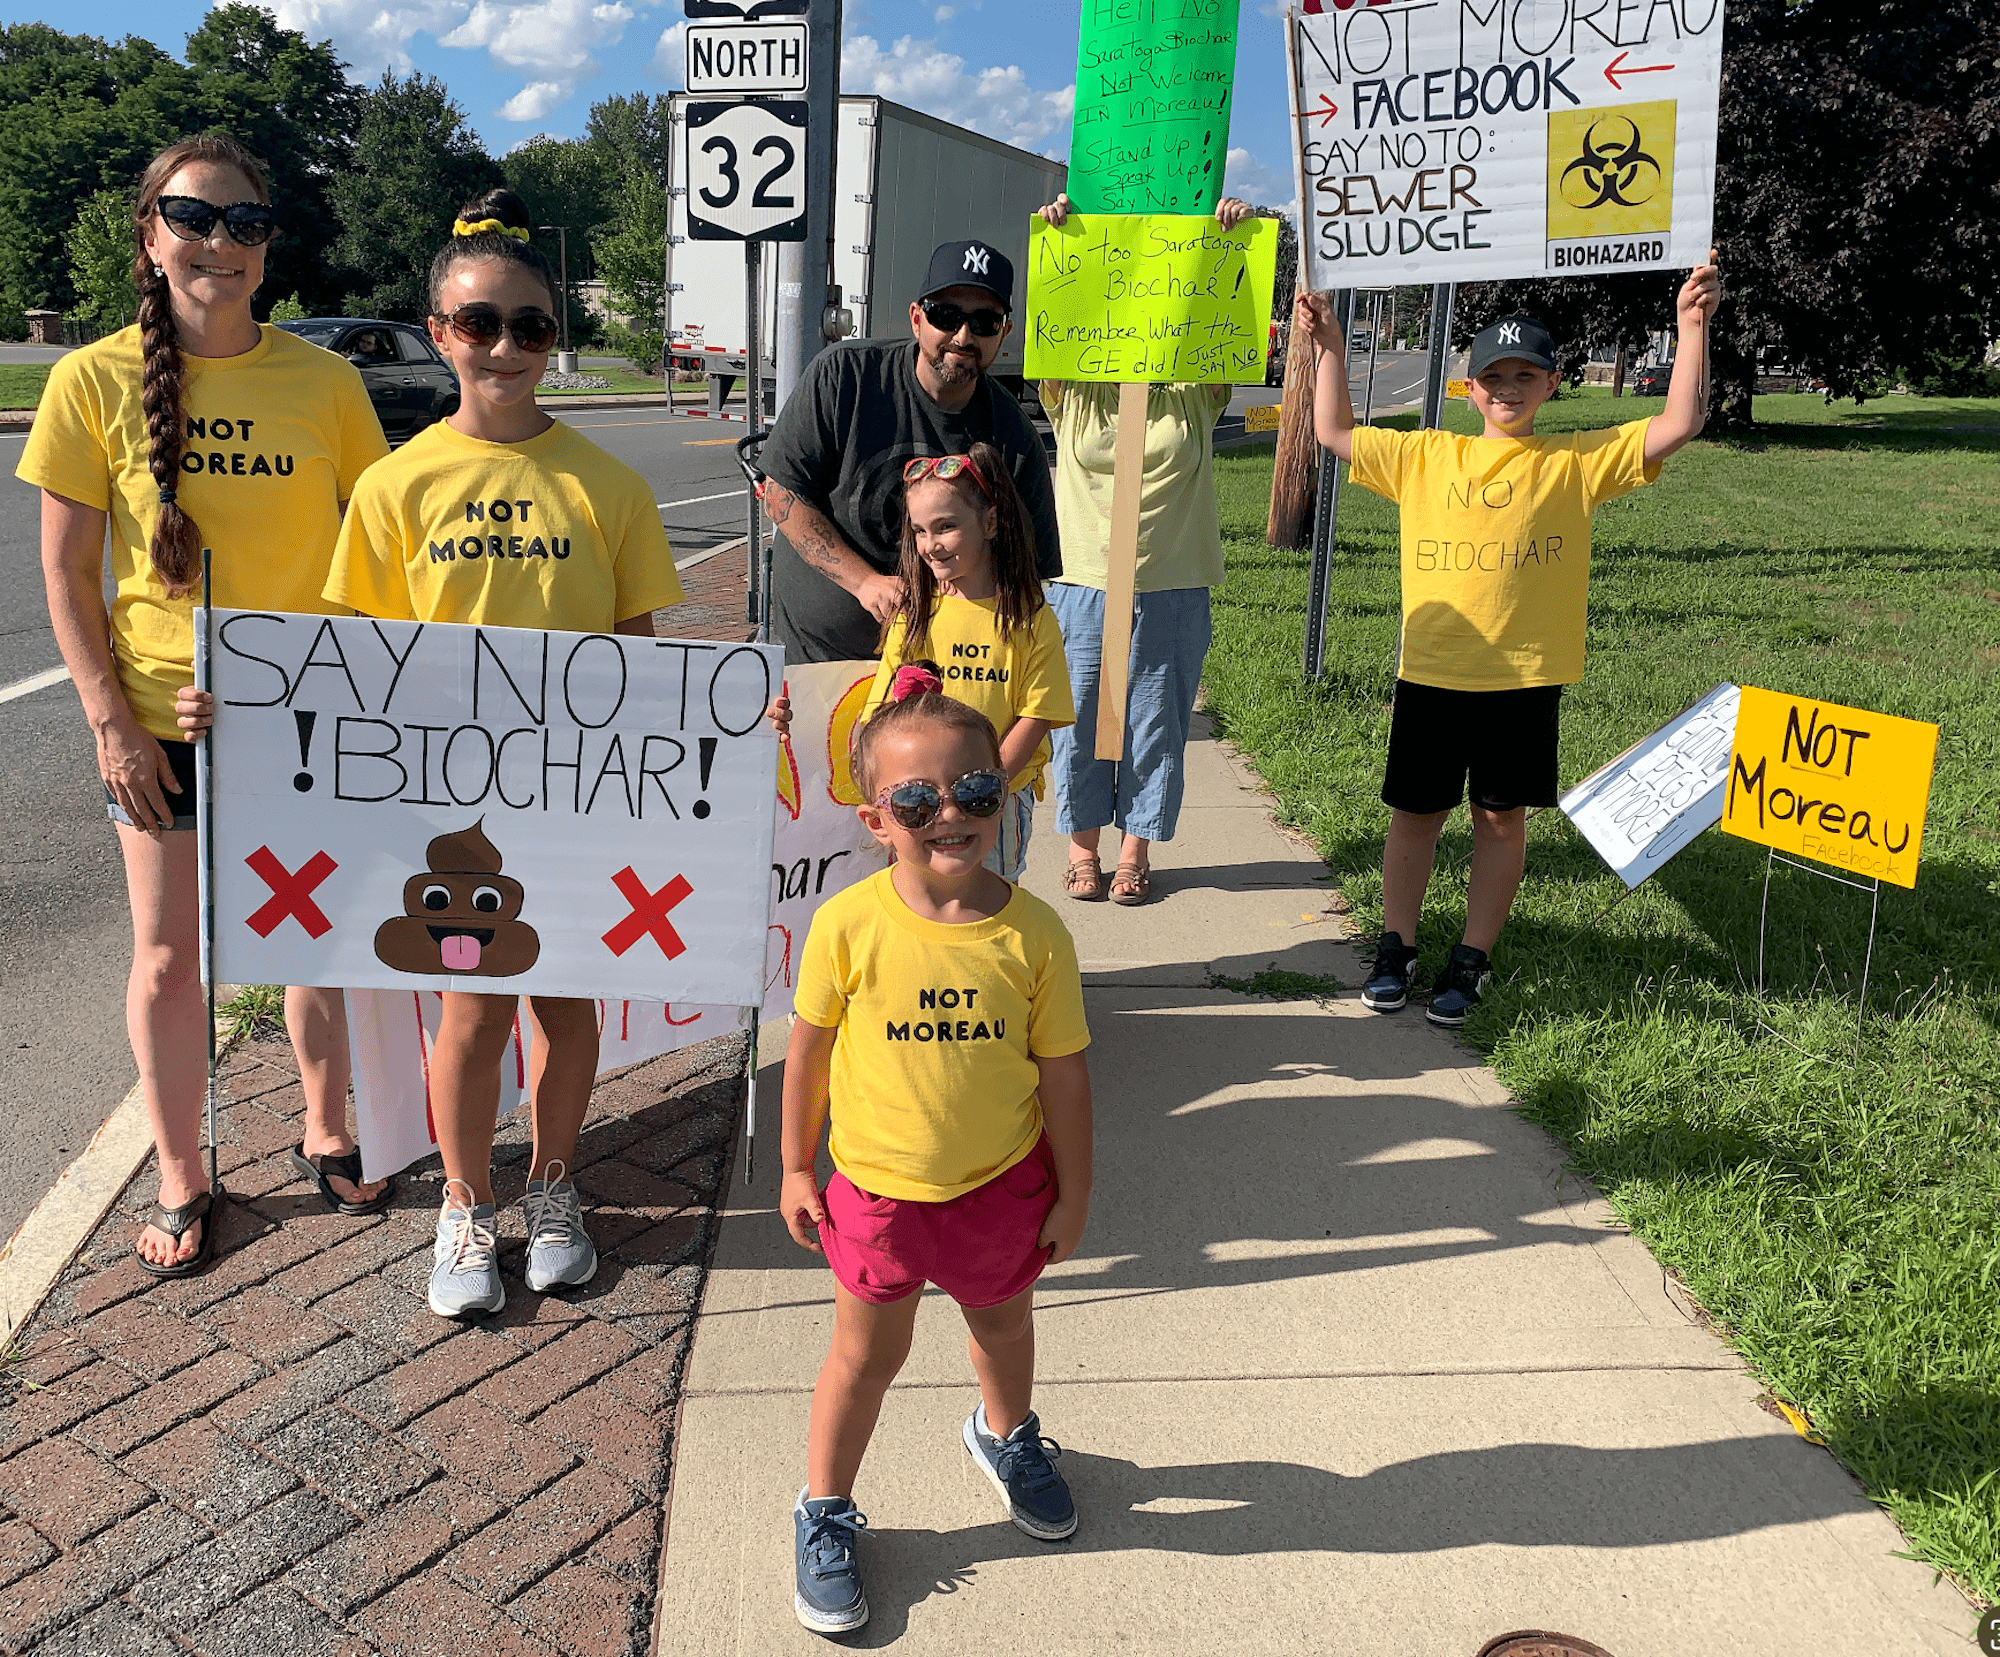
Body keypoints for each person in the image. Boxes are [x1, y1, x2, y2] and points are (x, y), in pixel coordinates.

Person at [24, 133, 393, 1279]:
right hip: (155, 726)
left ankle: (326, 1123)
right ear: (150, 233)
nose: (220, 243)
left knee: (317, 941)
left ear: (269, 249)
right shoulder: (89, 380)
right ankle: (183, 1169)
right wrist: (110, 722)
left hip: (305, 724)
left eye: (245, 223)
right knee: (169, 959)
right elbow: (66, 573)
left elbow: (376, 558)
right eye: (194, 217)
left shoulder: (327, 383)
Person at [321, 188, 689, 1318]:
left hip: (571, 800)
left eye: (530, 326)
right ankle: (465, 1207)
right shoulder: (393, 486)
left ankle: (555, 1185)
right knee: (472, 1013)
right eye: (479, 323)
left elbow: (642, 663)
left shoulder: (608, 485)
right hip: (445, 804)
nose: (505, 346)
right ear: (439, 332)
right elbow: (357, 662)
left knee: (567, 1005)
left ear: (551, 340)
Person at [1297, 253, 1723, 1026]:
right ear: (1467, 387)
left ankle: (1472, 954)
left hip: (1523, 679)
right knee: (1416, 813)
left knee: (1500, 816)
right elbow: (1333, 429)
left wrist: (1689, 325)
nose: (1508, 389)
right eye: (1494, 376)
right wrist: (1327, 343)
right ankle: (1396, 945)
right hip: (1430, 670)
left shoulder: (1575, 461)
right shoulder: (1427, 454)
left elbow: (1680, 422)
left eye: (1526, 376)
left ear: (1552, 386)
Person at [779, 677, 1093, 1636]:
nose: (948, 815)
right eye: (917, 802)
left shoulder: (1033, 932)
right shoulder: (847, 925)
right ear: (877, 818)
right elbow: (810, 1053)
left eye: (973, 792)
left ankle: (1008, 1436)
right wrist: (797, 1164)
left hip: (1000, 1186)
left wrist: (1075, 1189)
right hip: (876, 1196)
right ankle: (824, 1508)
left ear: (1004, 792)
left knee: (1004, 1329)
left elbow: (1066, 1075)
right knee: (864, 1357)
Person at [1035, 192, 1252, 906]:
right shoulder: (1076, 385)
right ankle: (1082, 848)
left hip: (1170, 583)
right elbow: (1057, 311)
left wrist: (1225, 243)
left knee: (1154, 724)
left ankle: (1136, 848)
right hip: (1082, 583)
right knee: (1081, 721)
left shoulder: (1193, 390)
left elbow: (1226, 323)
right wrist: (1061, 235)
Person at [757, 239, 1062, 664]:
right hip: (822, 662)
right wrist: (865, 583)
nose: (963, 335)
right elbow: (779, 494)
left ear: (1005, 333)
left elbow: (1027, 576)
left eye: (984, 321)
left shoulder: (1014, 437)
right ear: (917, 319)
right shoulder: (846, 375)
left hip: (942, 673)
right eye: (946, 315)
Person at [858, 445, 1073, 881]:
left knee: (988, 903)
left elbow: (1036, 717)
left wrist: (979, 793)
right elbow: (878, 717)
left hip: (994, 800)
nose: (930, 546)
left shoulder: (1029, 619)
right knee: (924, 912)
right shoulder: (914, 617)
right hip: (917, 808)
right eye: (919, 531)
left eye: (946, 527)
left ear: (990, 523)